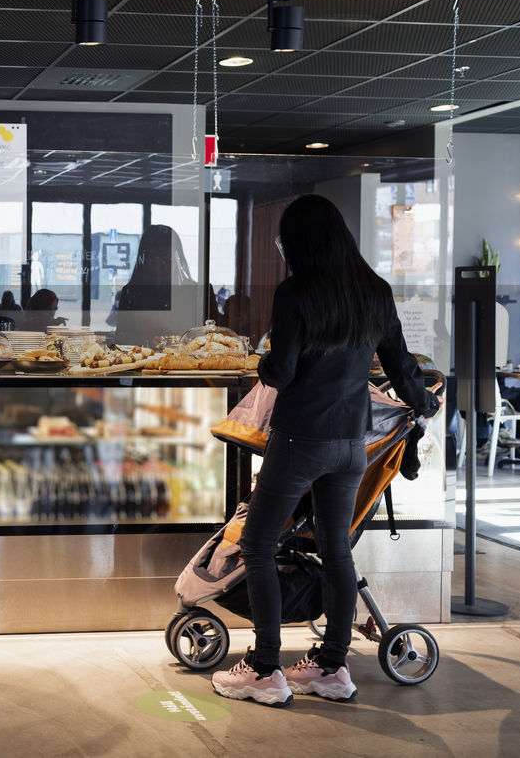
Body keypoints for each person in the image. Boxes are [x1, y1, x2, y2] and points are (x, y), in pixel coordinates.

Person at [211, 194, 441, 707]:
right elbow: (403, 368)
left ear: (299, 244)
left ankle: (265, 667)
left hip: (299, 442)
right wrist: (425, 402)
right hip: (351, 444)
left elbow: (283, 371)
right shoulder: (375, 292)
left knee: (258, 545)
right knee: (336, 549)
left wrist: (263, 364)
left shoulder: (296, 293)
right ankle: (332, 668)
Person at [112, 224, 208, 345]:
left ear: (178, 259)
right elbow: (121, 338)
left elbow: (211, 337)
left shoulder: (197, 293)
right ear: (144, 261)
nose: (160, 268)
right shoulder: (130, 293)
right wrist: (146, 340)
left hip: (188, 361)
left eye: (167, 261)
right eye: (153, 261)